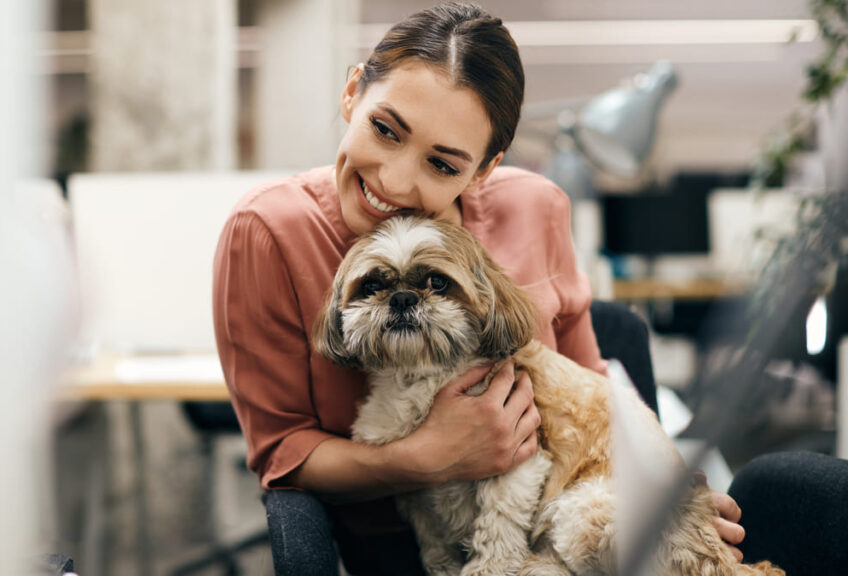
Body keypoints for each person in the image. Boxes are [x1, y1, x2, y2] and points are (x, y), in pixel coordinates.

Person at [212, 3, 746, 574]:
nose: (394, 181)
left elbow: (592, 390)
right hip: (402, 549)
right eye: (385, 129)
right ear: (352, 95)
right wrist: (422, 459)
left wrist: (656, 491)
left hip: (564, 524)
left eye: (443, 165)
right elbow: (281, 454)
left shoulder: (537, 207)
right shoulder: (267, 233)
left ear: (485, 168)